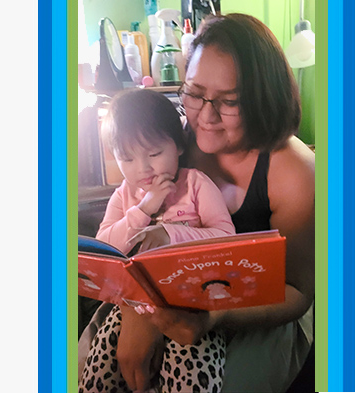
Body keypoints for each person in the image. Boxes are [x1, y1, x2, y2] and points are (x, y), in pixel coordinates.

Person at [80, 13, 315, 392]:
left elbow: (299, 292)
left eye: (230, 101)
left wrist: (212, 315)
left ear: (262, 97)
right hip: (154, 297)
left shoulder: (294, 172)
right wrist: (139, 314)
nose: (206, 117)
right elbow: (128, 248)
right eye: (193, 92)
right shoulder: (170, 143)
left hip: (251, 310)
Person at [78, 88, 236, 393]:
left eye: (154, 154)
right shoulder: (125, 195)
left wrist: (170, 233)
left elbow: (225, 237)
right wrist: (143, 210)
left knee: (191, 380)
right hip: (133, 306)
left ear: (177, 146)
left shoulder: (194, 185)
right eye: (127, 158)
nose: (143, 168)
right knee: (97, 378)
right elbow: (105, 249)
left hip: (191, 307)